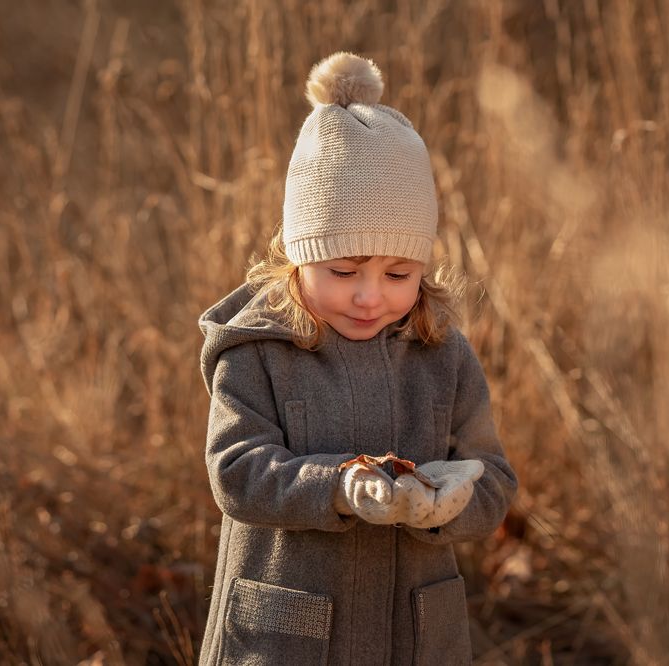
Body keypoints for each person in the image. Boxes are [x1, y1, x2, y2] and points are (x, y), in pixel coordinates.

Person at [196, 51, 517, 666]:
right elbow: (237, 473)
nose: (371, 296)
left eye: (399, 273)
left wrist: (449, 503)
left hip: (412, 632)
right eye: (342, 271)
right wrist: (338, 485)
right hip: (287, 633)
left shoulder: (441, 352)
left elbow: (493, 477)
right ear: (297, 257)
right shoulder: (257, 350)